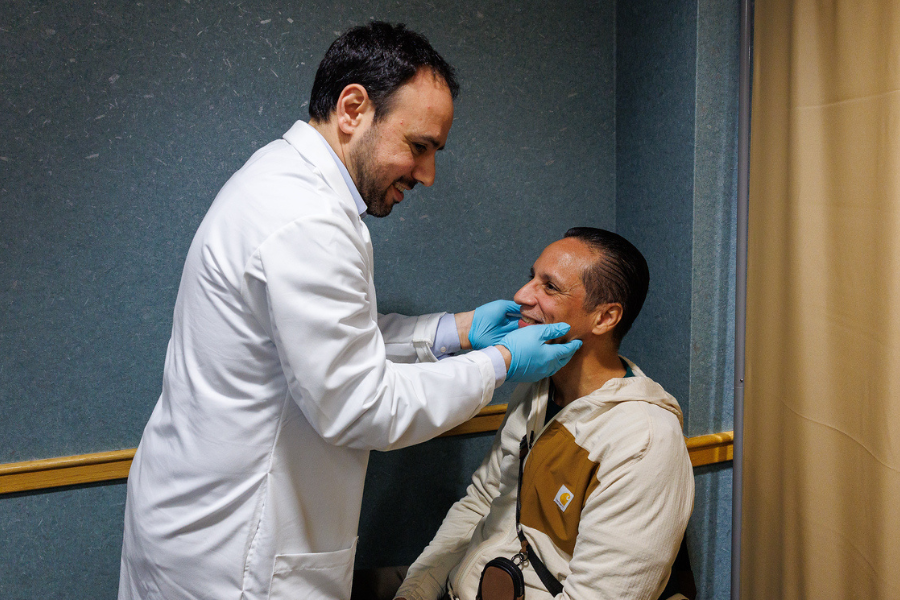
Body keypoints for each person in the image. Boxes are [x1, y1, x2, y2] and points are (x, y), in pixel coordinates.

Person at [118, 22, 581, 600]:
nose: (428, 175)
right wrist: (499, 363)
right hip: (236, 554)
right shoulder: (308, 219)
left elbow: (320, 343)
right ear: (353, 108)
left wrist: (454, 332)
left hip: (189, 520)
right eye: (419, 146)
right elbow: (361, 406)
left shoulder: (279, 178)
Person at [394, 228, 695, 600]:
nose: (522, 295)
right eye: (531, 276)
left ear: (604, 317)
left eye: (549, 287)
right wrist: (415, 592)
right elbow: (483, 501)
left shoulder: (643, 442)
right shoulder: (538, 391)